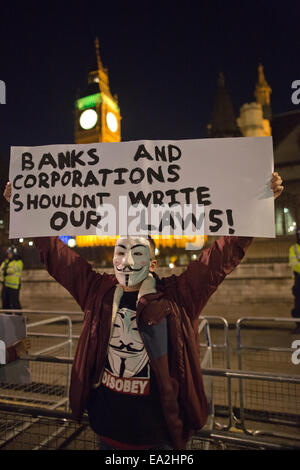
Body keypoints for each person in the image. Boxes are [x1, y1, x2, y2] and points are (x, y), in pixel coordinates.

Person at [3, 173, 283, 450]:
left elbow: (220, 258)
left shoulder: (179, 296)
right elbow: (56, 255)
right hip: (107, 432)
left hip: (158, 439)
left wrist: (255, 207)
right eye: (121, 252)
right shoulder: (96, 292)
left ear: (153, 263)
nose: (126, 261)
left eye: (138, 253)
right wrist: (24, 210)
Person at [0, 245, 23, 311]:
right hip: (5, 284)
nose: (8, 255)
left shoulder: (19, 262)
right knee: (5, 302)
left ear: (14, 254)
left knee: (14, 303)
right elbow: (1, 269)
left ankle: (19, 317)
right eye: (8, 253)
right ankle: (7, 317)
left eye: (10, 253)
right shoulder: (6, 261)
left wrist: (5, 270)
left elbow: (12, 270)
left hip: (14, 286)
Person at [289, 227, 300, 334]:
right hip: (298, 282)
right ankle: (298, 326)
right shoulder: (294, 248)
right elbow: (294, 265)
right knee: (298, 306)